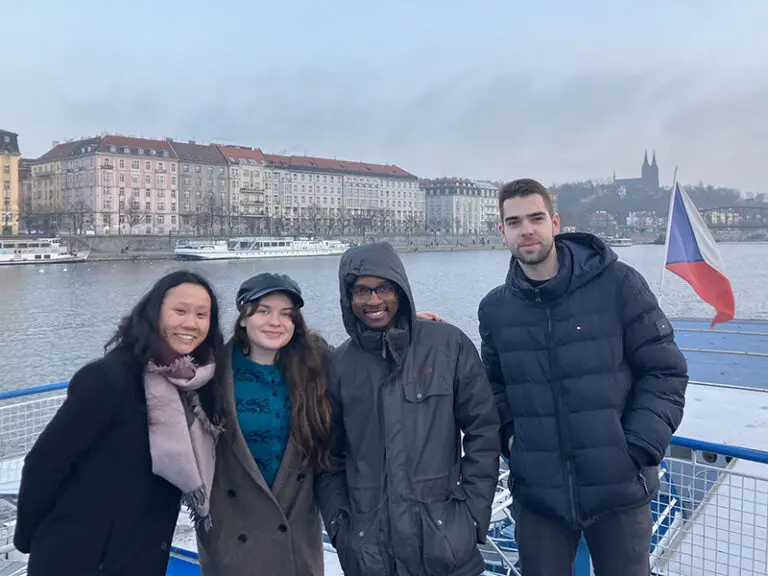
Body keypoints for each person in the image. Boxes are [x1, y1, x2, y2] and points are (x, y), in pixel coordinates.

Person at [478, 178, 688, 576]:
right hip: (539, 496)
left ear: (555, 223)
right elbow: (494, 387)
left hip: (619, 489)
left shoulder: (618, 284)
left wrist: (637, 447)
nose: (527, 230)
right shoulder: (495, 310)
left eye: (536, 218)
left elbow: (665, 370)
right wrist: (511, 440)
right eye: (515, 222)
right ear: (502, 231)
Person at [14, 270, 225, 576]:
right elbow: (44, 464)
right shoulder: (108, 378)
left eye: (202, 315)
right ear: (154, 313)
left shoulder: (194, 387)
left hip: (142, 556)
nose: (191, 323)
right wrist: (29, 538)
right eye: (180, 311)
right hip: (81, 558)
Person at [316, 241, 501, 576]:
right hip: (371, 555)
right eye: (362, 291)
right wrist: (342, 528)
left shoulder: (448, 346)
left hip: (446, 546)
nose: (373, 300)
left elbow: (484, 430)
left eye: (384, 288)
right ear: (348, 297)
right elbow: (329, 458)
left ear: (400, 290)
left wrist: (472, 515)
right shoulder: (339, 366)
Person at [196, 273, 334, 576]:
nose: (276, 322)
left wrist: (408, 329)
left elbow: (366, 362)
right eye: (264, 311)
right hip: (233, 534)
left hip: (296, 533)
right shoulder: (210, 372)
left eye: (286, 314)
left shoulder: (316, 364)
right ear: (243, 317)